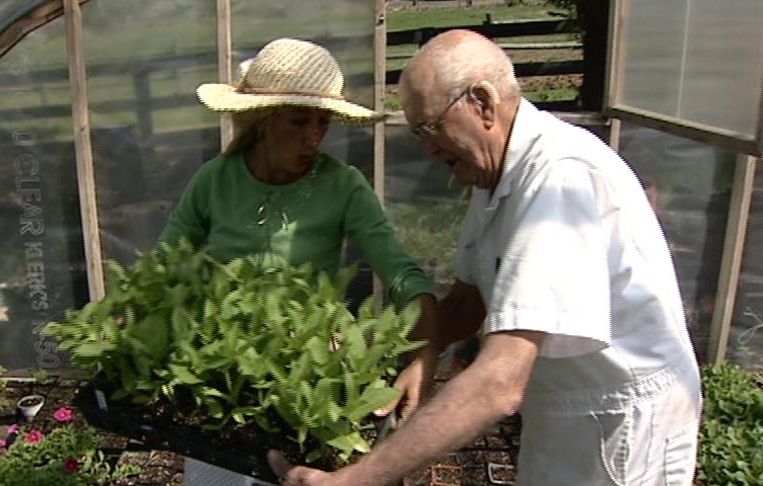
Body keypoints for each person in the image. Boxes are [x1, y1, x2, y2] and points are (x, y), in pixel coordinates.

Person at [270, 29, 702, 486]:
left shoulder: (560, 181)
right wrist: (382, 347)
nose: (426, 149)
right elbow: (465, 306)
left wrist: (359, 479)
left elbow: (499, 382)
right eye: (418, 133)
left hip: (623, 428)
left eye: (431, 128)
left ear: (482, 102)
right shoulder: (494, 173)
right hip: (564, 413)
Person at [159, 37, 438, 418]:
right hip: (222, 362)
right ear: (263, 120)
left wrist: (426, 347)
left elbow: (398, 268)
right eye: (299, 121)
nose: (314, 137)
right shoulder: (215, 179)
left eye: (323, 122)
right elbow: (165, 261)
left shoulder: (343, 184)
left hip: (315, 362)